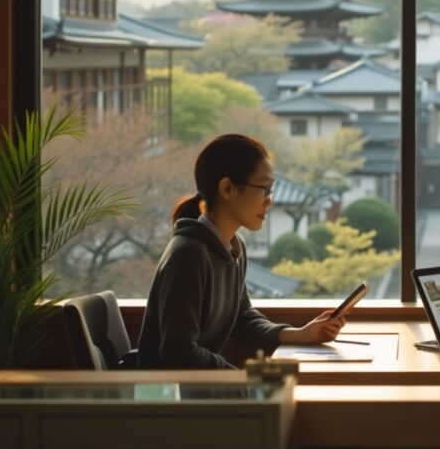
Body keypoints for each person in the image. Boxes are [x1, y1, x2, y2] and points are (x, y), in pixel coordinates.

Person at [137, 134, 345, 369]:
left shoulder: (234, 246)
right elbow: (179, 351)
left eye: (271, 189)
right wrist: (241, 381)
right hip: (165, 398)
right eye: (264, 188)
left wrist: (297, 334)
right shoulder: (189, 254)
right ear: (227, 188)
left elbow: (242, 317)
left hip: (197, 392)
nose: (270, 201)